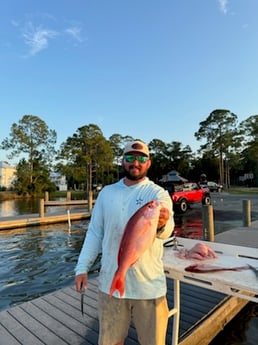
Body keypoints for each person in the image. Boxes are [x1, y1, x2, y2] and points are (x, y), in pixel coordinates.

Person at [75, 139, 175, 345]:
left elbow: (167, 232)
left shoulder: (157, 194)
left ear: (148, 163)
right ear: (122, 161)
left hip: (149, 287)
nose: (135, 163)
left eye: (141, 158)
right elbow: (95, 233)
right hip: (110, 282)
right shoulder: (107, 193)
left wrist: (162, 223)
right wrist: (82, 267)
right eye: (130, 157)